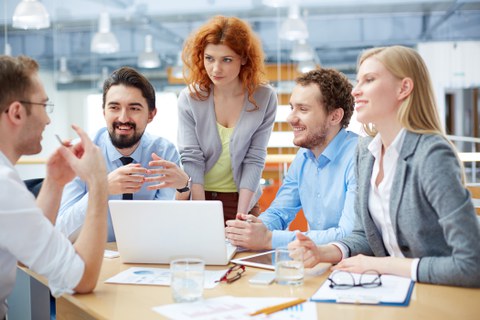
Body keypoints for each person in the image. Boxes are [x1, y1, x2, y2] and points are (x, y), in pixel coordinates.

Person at [289, 45, 480, 287]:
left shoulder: (431, 154)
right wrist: (322, 251)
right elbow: (365, 235)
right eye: (357, 81)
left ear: (404, 88)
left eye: (369, 80)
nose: (355, 91)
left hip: (439, 293)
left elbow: (472, 264)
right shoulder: (366, 151)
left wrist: (382, 265)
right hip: (392, 290)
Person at [0, 55, 109, 318]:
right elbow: (80, 280)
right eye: (44, 105)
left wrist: (55, 181)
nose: (48, 120)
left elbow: (25, 255)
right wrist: (98, 184)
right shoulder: (4, 185)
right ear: (16, 112)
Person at [225, 68, 358, 250]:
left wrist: (269, 239)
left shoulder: (359, 156)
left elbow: (348, 235)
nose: (290, 118)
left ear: (335, 116)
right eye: (291, 108)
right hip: (315, 262)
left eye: (303, 109)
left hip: (354, 264)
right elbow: (280, 212)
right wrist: (253, 228)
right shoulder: (303, 157)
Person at [57, 67, 189, 242]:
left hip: (146, 255)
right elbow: (61, 232)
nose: (123, 118)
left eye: (134, 108)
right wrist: (102, 188)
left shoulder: (164, 152)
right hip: (97, 259)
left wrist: (184, 189)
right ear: (104, 111)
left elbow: (167, 227)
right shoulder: (80, 152)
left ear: (151, 114)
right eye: (114, 107)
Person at [177, 15, 277, 223]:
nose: (216, 69)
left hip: (242, 200)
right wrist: (201, 213)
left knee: (241, 255)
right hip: (198, 198)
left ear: (244, 59)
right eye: (209, 58)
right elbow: (191, 159)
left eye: (227, 60)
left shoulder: (264, 97)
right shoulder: (190, 98)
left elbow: (255, 158)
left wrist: (241, 214)